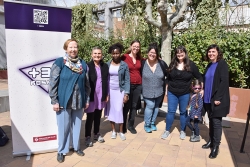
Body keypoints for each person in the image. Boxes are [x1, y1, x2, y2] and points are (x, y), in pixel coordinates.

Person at [49, 39, 90, 163]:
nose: (73, 49)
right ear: (66, 49)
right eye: (70, 47)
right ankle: (61, 150)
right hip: (63, 102)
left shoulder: (83, 64)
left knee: (77, 126)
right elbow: (52, 83)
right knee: (63, 127)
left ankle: (76, 147)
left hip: (79, 101)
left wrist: (87, 99)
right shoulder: (60, 62)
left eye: (75, 47)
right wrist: (54, 101)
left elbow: (87, 85)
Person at [161, 45, 203, 140]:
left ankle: (183, 131)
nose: (179, 54)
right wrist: (167, 88)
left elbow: (199, 76)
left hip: (185, 93)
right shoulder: (172, 64)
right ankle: (167, 130)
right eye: (178, 52)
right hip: (172, 92)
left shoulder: (191, 65)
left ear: (185, 53)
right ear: (176, 54)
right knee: (171, 112)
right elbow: (168, 78)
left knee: (183, 112)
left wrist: (202, 89)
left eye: (181, 52)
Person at [202, 44, 230, 159]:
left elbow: (224, 82)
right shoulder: (209, 65)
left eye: (213, 52)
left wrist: (218, 98)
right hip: (208, 99)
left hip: (217, 100)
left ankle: (216, 147)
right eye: (209, 52)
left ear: (218, 53)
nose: (211, 54)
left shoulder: (222, 64)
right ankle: (211, 141)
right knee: (211, 122)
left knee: (217, 123)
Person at [84, 47, 109, 147]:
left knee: (98, 116)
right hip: (91, 96)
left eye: (99, 53)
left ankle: (96, 133)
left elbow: (107, 81)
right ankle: (87, 136)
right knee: (90, 117)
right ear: (91, 55)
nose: (97, 55)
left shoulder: (105, 66)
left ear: (101, 55)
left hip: (101, 95)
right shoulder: (87, 66)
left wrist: (107, 94)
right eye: (95, 53)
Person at [141, 43, 168, 133]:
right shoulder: (143, 63)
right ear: (148, 53)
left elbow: (169, 75)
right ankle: (147, 123)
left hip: (159, 90)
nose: (152, 54)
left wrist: (167, 88)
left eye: (154, 53)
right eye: (151, 52)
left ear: (157, 54)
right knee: (150, 105)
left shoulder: (162, 63)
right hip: (147, 90)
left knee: (156, 106)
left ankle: (153, 122)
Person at [106, 43, 130, 140]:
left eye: (117, 53)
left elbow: (127, 79)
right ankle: (113, 131)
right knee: (111, 110)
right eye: (113, 53)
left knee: (119, 110)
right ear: (111, 54)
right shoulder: (107, 64)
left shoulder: (124, 65)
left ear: (120, 53)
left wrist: (126, 93)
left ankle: (121, 131)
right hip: (110, 90)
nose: (115, 55)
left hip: (120, 90)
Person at [121, 40, 142, 134]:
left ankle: (131, 125)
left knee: (134, 106)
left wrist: (159, 58)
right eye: (134, 46)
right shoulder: (124, 57)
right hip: (128, 85)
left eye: (138, 46)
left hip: (138, 85)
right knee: (126, 106)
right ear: (131, 46)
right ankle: (123, 125)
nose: (136, 48)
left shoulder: (140, 58)